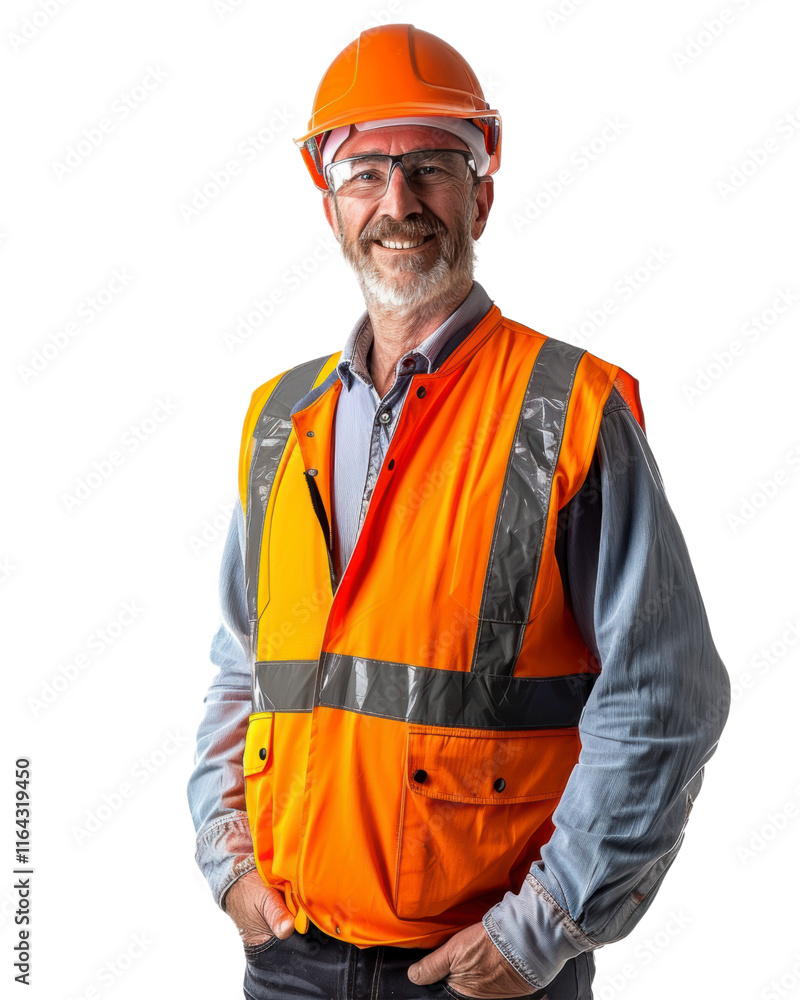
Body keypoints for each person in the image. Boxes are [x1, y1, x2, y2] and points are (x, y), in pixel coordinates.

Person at [187, 23, 730, 1000]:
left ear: (480, 191)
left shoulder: (566, 410)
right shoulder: (279, 418)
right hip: (288, 957)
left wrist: (543, 926)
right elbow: (242, 665)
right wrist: (227, 860)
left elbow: (665, 693)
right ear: (329, 202)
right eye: (365, 173)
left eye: (429, 168)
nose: (396, 204)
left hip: (476, 974)